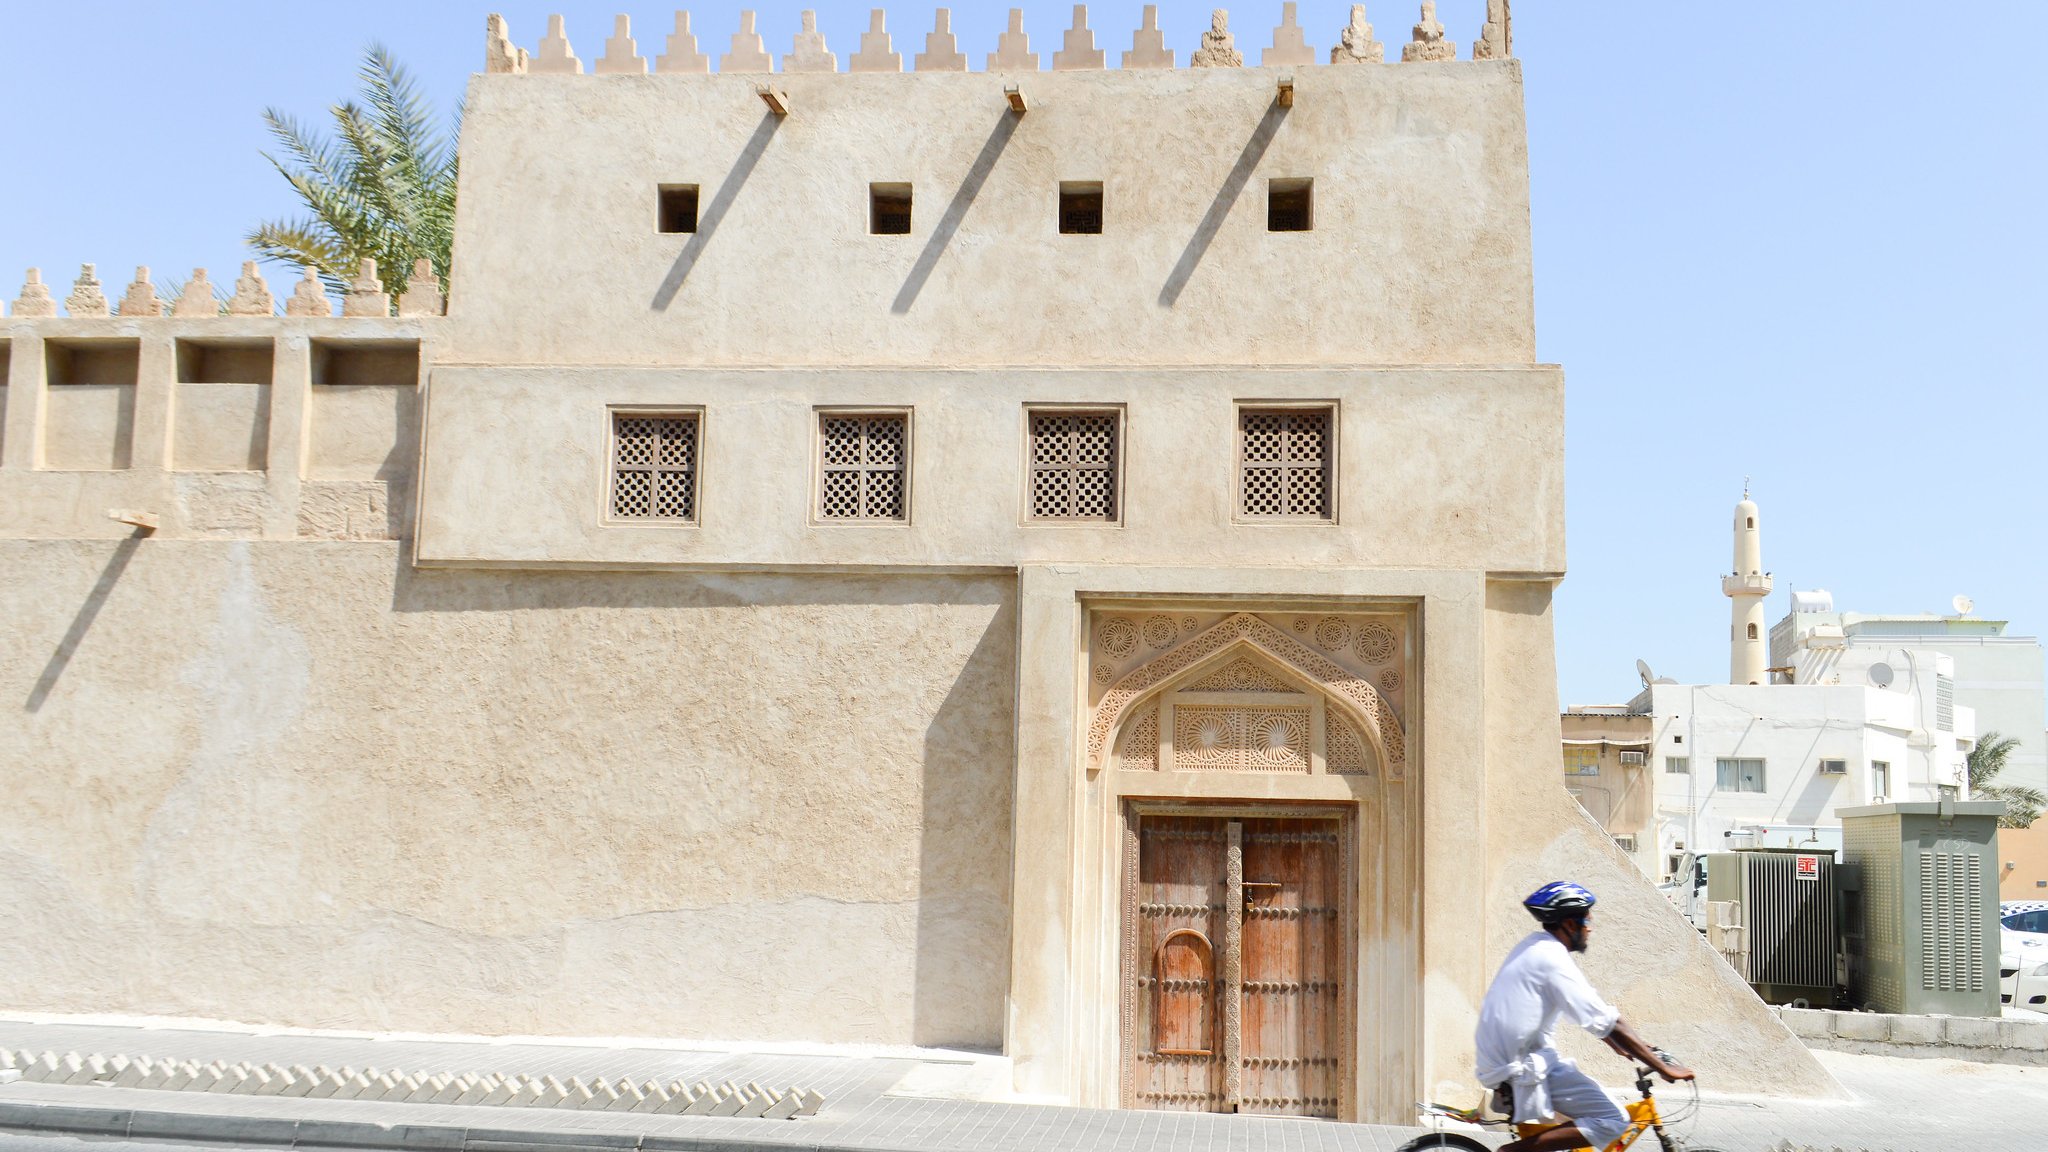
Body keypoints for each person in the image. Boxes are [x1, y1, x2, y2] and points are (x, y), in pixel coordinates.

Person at [1474, 881, 1694, 1152]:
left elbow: (1589, 1015)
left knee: (1577, 1136)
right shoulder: (1552, 960)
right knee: (1612, 1120)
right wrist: (1663, 1068)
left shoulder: (1535, 946)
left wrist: (1626, 1045)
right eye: (1587, 919)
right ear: (1569, 924)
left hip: (1510, 1060)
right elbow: (1609, 1021)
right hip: (1520, 1067)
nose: (1590, 927)